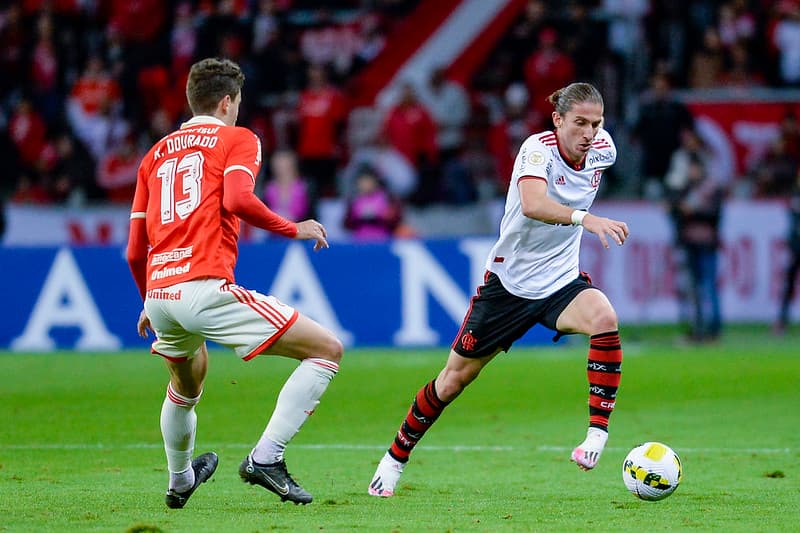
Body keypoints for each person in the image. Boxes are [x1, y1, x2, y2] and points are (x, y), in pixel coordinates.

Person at [368, 82, 629, 497]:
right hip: (508, 286)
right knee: (452, 381)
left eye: (596, 123)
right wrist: (586, 219)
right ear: (557, 120)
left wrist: (583, 219)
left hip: (560, 280)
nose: (589, 133)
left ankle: (597, 434)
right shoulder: (536, 150)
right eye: (579, 122)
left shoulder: (604, 149)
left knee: (604, 316)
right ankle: (395, 457)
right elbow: (533, 204)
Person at [126, 58, 343, 509]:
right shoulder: (237, 138)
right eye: (238, 102)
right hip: (204, 285)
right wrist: (292, 227)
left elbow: (134, 248)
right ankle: (267, 457)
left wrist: (148, 296)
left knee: (187, 385)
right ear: (227, 102)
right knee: (326, 350)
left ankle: (181, 480)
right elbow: (238, 198)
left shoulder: (156, 153)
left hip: (161, 293)